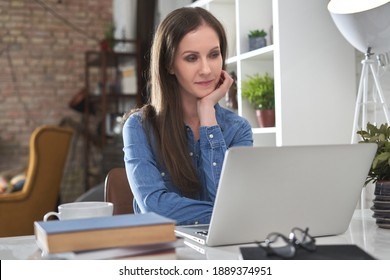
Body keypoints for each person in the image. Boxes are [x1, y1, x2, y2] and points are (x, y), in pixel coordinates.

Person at [122, 7, 253, 225]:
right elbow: (153, 207)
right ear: (169, 65)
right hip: (163, 252)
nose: (206, 70)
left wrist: (208, 116)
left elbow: (231, 203)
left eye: (213, 55)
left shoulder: (238, 129)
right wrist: (229, 213)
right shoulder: (139, 127)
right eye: (191, 58)